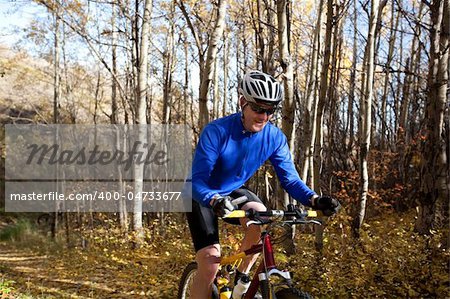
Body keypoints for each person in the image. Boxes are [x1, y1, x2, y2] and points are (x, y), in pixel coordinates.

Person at [185, 70, 340, 298]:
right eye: (258, 108)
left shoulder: (275, 137)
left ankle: (241, 278)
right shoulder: (217, 132)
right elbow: (198, 180)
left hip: (231, 191)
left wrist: (315, 199)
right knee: (209, 264)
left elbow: (290, 179)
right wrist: (214, 199)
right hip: (202, 194)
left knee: (261, 215)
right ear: (242, 102)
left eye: (270, 110)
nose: (263, 116)